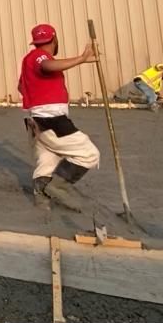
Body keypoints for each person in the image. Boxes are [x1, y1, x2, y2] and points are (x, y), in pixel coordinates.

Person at [18, 24, 101, 210]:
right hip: (51, 119)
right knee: (89, 154)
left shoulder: (27, 62)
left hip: (35, 120)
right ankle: (57, 187)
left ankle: (41, 198)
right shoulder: (39, 57)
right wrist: (81, 59)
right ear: (55, 40)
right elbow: (47, 65)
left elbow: (21, 87)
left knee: (48, 159)